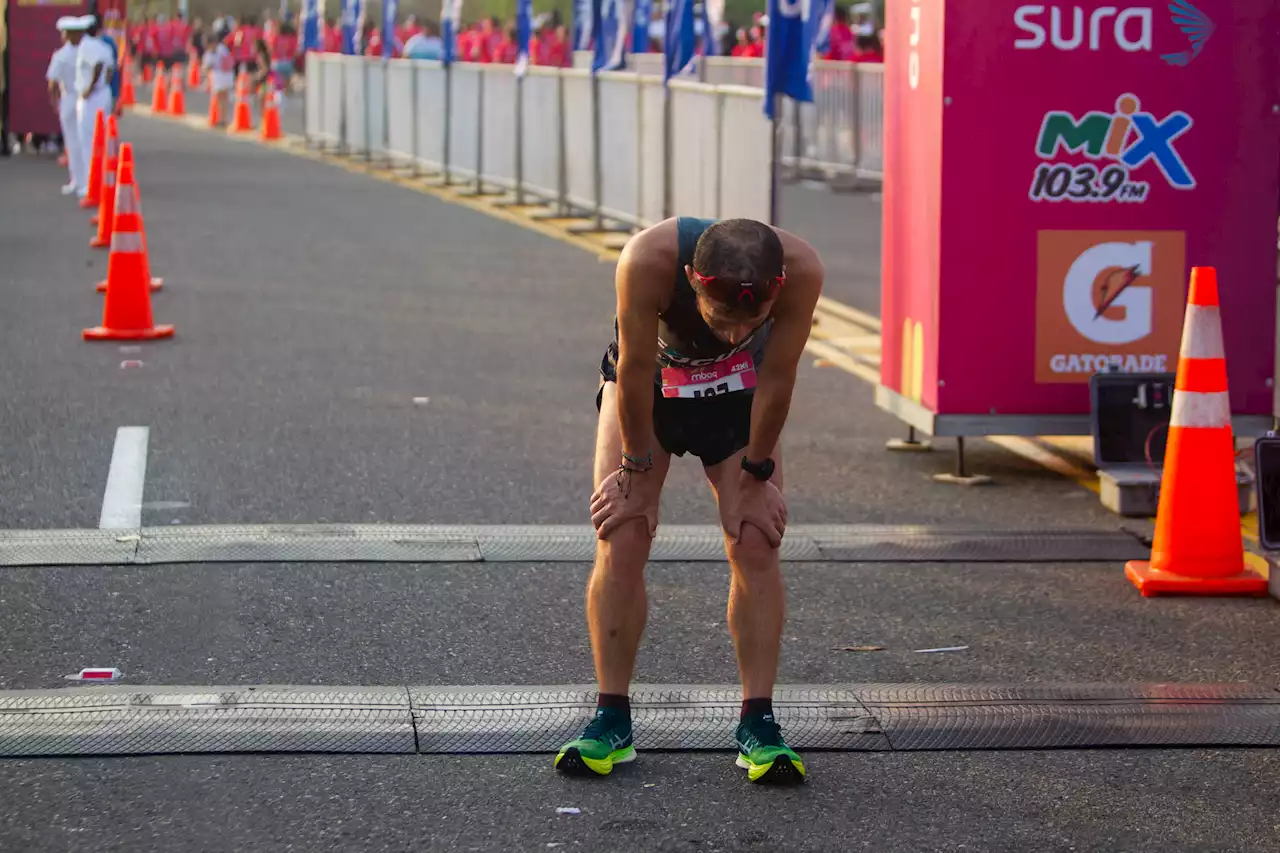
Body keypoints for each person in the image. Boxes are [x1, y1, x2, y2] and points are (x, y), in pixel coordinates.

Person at [555, 218, 823, 785]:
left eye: (748, 325)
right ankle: (611, 719)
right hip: (651, 393)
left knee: (755, 540)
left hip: (740, 400)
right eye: (719, 320)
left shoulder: (802, 272)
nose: (731, 336)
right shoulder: (646, 259)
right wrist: (634, 470)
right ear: (688, 282)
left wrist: (756, 475)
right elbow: (631, 372)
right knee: (622, 533)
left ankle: (759, 723)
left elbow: (779, 379)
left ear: (775, 289)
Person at [73, 15, 114, 199]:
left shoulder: (87, 45)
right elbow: (111, 69)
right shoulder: (105, 45)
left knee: (88, 141)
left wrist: (89, 87)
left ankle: (91, 183)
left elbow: (97, 65)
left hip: (91, 98)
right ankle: (100, 181)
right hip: (103, 93)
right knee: (100, 139)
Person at [46, 17, 83, 195]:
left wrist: (54, 102)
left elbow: (52, 83)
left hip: (68, 99)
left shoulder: (60, 55)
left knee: (72, 142)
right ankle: (86, 180)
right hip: (85, 99)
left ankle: (76, 180)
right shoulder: (86, 52)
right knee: (86, 141)